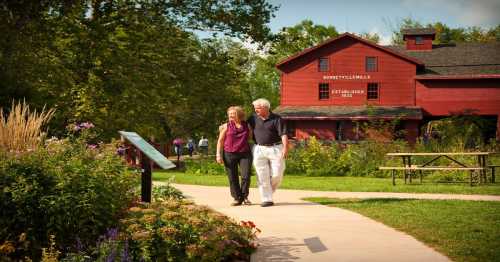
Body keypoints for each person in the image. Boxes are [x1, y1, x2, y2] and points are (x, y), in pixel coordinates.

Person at [248, 98, 288, 207]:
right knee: (261, 175)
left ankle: (268, 191)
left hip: (275, 148)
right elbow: (242, 126)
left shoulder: (277, 119)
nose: (256, 110)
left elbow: (283, 135)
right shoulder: (253, 118)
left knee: (277, 174)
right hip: (259, 149)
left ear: (266, 108)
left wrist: (285, 148)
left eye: (258, 108)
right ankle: (267, 199)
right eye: (255, 108)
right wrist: (226, 126)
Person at [217, 106, 253, 206]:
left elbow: (250, 137)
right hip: (229, 153)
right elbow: (220, 141)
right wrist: (218, 155)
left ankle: (245, 196)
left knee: (246, 176)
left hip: (245, 153)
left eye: (233, 113)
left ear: (239, 114)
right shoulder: (226, 126)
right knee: (232, 177)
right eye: (229, 114)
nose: (231, 115)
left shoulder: (247, 125)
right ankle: (237, 198)